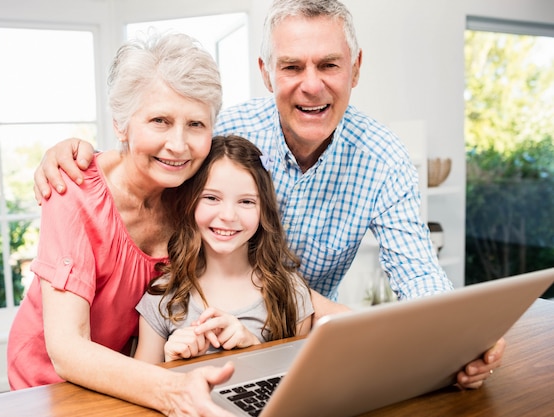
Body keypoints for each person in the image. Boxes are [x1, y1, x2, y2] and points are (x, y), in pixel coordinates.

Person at [32, 0, 504, 389]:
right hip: (108, 371)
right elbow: (149, 145)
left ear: (355, 69)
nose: (311, 84)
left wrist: (457, 342)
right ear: (266, 71)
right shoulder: (221, 140)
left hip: (278, 348)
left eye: (329, 65)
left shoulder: (382, 160)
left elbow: (417, 274)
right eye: (292, 66)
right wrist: (78, 153)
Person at [7, 32, 240, 417]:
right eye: (159, 121)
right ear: (120, 124)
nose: (179, 144)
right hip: (46, 384)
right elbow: (67, 350)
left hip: (131, 375)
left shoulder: (195, 191)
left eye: (196, 124)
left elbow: (258, 258)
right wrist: (171, 389)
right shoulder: (73, 188)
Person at [134, 135, 314, 364]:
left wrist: (254, 349)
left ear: (264, 210)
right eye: (211, 198)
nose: (228, 216)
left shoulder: (290, 292)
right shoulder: (162, 296)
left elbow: (298, 388)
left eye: (246, 202)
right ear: (190, 202)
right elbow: (141, 385)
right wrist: (170, 365)